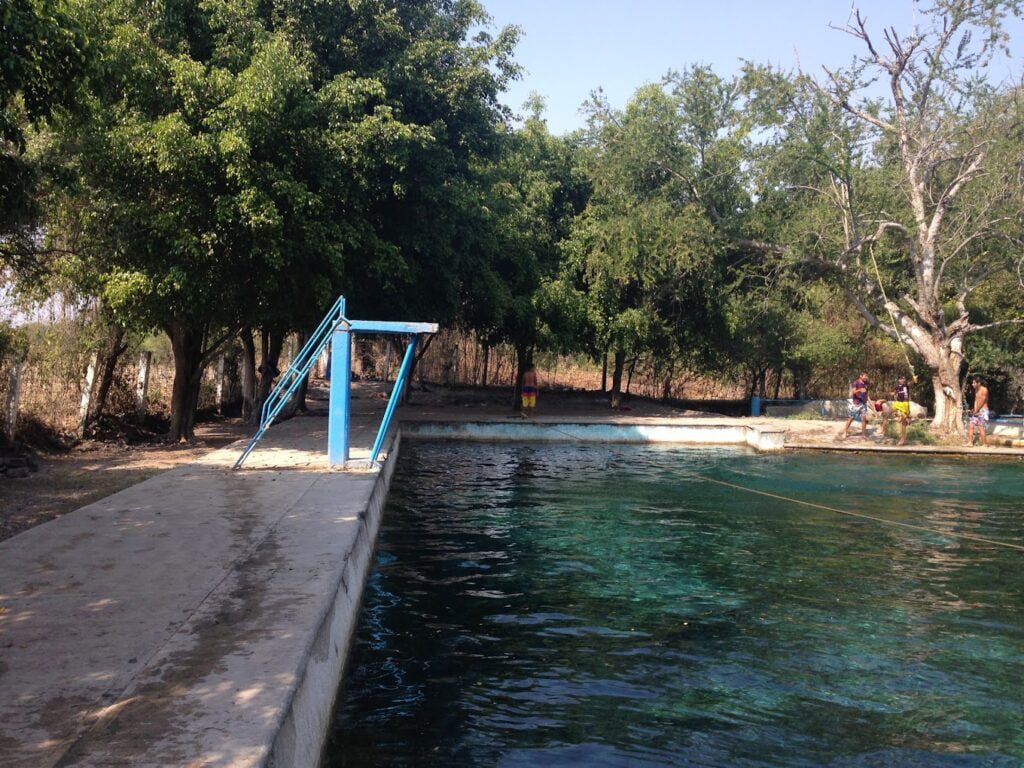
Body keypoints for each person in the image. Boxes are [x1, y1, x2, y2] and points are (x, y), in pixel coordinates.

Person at [838, 372, 870, 439]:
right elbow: (853, 392)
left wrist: (869, 402)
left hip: (863, 404)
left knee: (864, 419)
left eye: (867, 376)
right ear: (860, 376)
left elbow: (867, 394)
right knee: (851, 418)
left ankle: (863, 434)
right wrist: (860, 390)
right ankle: (845, 432)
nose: (866, 377)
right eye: (865, 376)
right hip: (856, 403)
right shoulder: (856, 382)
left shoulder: (866, 383)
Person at [966, 376, 989, 447]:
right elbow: (976, 401)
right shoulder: (976, 390)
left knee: (980, 427)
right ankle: (970, 443)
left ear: (979, 383)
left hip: (983, 411)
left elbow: (982, 401)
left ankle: (984, 444)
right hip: (977, 410)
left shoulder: (984, 390)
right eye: (972, 383)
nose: (972, 384)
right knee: (970, 426)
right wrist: (974, 409)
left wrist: (977, 411)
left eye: (974, 383)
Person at [890, 374, 912, 446]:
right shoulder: (896, 386)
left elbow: (912, 382)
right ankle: (882, 428)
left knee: (903, 422)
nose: (902, 380)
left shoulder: (906, 386)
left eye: (903, 379)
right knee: (887, 412)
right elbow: (894, 393)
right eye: (901, 379)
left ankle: (903, 439)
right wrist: (890, 393)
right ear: (898, 380)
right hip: (898, 403)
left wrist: (914, 379)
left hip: (905, 404)